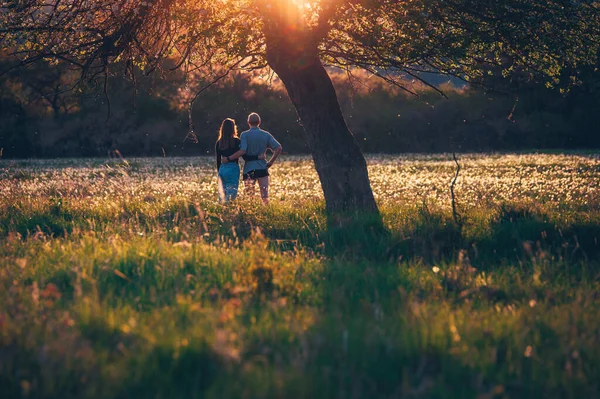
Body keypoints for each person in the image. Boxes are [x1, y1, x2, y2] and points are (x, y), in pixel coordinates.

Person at [222, 112, 282, 204]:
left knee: (250, 196)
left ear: (248, 122)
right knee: (265, 196)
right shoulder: (266, 134)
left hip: (249, 169)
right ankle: (266, 213)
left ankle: (251, 215)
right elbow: (278, 148)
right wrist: (270, 162)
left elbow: (242, 151)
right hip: (262, 168)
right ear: (259, 122)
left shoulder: (244, 135)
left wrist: (229, 158)